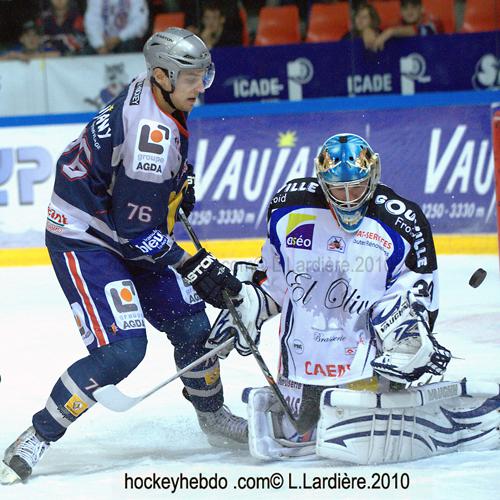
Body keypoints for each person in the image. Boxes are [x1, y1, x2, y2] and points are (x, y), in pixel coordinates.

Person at [0, 27, 245, 485]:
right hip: (86, 238)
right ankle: (35, 436)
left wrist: (176, 185)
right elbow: (137, 231)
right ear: (162, 75)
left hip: (121, 224)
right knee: (123, 350)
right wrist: (194, 265)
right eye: (192, 77)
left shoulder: (154, 92)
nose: (202, 85)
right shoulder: (150, 133)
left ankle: (212, 417)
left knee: (192, 326)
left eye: (203, 74)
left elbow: (133, 195)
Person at [209, 133, 452, 458]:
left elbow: (422, 298)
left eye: (358, 187)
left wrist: (413, 341)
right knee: (294, 441)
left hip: (367, 377)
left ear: (374, 175)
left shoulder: (404, 223)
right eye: (339, 189)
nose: (349, 199)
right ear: (322, 183)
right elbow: (276, 282)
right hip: (297, 375)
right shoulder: (287, 209)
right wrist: (246, 305)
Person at [84, 0, 149, 54]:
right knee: (86, 53)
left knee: (130, 46)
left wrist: (119, 38)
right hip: (102, 42)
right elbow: (91, 22)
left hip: (126, 40)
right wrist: (99, 44)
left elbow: (140, 23)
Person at [373, 0, 438, 51]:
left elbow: (416, 30)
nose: (409, 11)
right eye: (405, 8)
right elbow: (378, 29)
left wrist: (390, 32)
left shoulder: (432, 23)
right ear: (401, 11)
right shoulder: (397, 25)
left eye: (414, 7)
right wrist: (368, 31)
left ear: (422, 9)